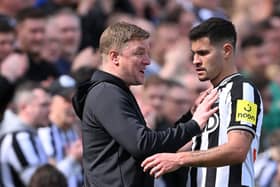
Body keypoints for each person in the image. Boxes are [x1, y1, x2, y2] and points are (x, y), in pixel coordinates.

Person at [72, 22, 218, 187]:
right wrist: (194, 124)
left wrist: (190, 116)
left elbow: (151, 143)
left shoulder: (115, 91)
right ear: (114, 57)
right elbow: (143, 145)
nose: (148, 61)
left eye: (148, 54)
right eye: (139, 53)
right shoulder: (106, 93)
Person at [142, 17, 264, 187]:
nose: (195, 61)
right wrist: (189, 117)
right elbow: (177, 149)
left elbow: (238, 149)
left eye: (203, 53)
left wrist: (180, 159)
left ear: (227, 51)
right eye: (193, 54)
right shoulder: (208, 98)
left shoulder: (242, 89)